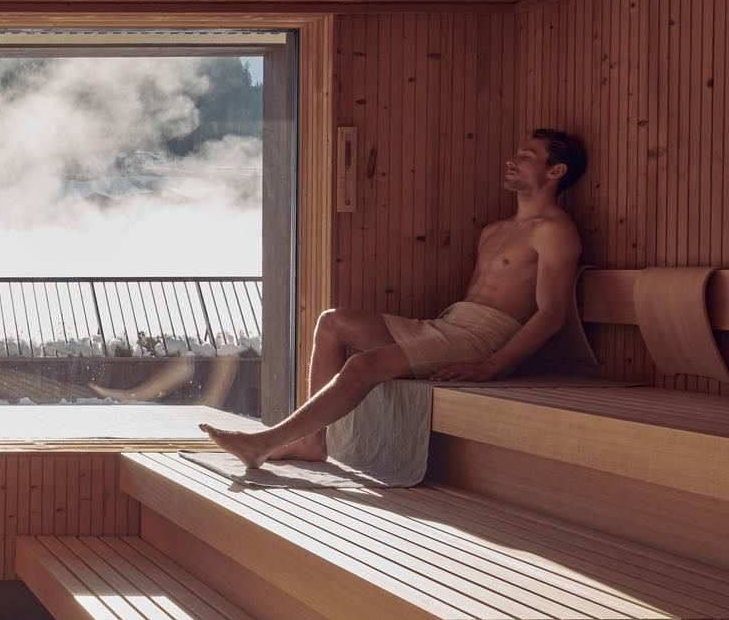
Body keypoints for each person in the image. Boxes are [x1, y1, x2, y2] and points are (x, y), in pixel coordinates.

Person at [202, 128, 587, 469]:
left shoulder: (554, 231)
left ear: (555, 172)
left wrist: (492, 365)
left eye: (526, 156)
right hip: (452, 324)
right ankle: (310, 441)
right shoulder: (495, 230)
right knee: (333, 321)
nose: (511, 160)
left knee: (363, 366)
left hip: (485, 337)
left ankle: (264, 444)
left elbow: (551, 314)